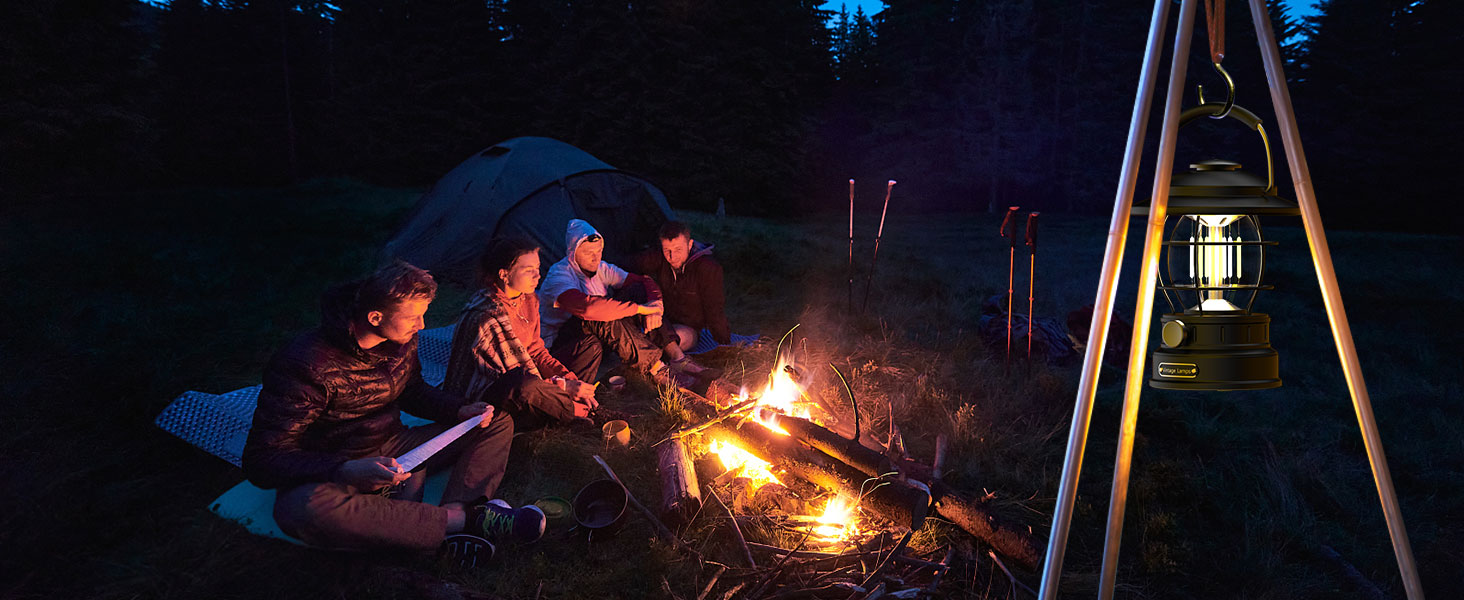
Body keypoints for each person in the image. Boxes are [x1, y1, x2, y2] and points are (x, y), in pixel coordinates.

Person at [242, 261, 543, 565]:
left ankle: (458, 512)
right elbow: (263, 458)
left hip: (395, 445)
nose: (422, 325)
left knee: (494, 422)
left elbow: (411, 391)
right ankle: (463, 523)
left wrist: (460, 409)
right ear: (375, 317)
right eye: (414, 316)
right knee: (303, 509)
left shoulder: (401, 339)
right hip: (336, 461)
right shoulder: (305, 364)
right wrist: (345, 469)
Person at [443, 237, 598, 429]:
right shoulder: (486, 316)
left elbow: (535, 350)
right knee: (527, 387)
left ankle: (566, 405)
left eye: (537, 268)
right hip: (491, 392)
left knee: (589, 346)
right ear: (504, 275)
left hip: (528, 377)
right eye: (528, 271)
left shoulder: (529, 300)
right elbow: (512, 376)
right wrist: (562, 387)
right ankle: (572, 412)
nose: (537, 276)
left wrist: (570, 379)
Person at [539, 219, 714, 386]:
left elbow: (644, 281)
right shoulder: (560, 275)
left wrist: (655, 307)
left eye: (598, 251)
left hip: (601, 336)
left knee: (636, 291)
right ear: (572, 252)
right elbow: (588, 309)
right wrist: (640, 309)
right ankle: (657, 369)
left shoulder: (601, 268)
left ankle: (677, 357)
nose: (595, 258)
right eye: (588, 253)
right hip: (565, 345)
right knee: (600, 312)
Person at [635, 221, 732, 357]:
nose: (672, 256)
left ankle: (654, 353)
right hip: (660, 317)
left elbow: (714, 307)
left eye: (678, 250)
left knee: (677, 338)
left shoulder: (707, 268)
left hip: (687, 327)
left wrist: (724, 342)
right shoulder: (659, 257)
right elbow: (630, 266)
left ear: (690, 244)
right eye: (667, 250)